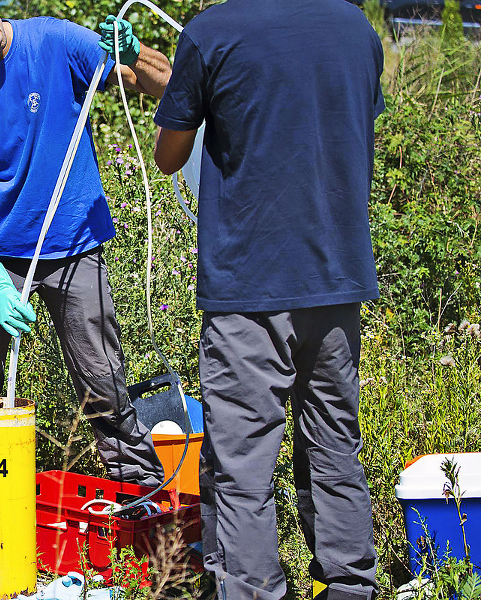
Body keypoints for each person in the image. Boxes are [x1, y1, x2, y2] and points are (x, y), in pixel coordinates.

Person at [152, 1, 385, 599]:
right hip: (336, 280)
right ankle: (350, 585)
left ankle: (253, 591)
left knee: (243, 466)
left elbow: (169, 154)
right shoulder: (355, 28)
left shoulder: (212, 31)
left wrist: (176, 93)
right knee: (334, 443)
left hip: (249, 288)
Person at [0, 0, 173, 523]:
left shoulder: (56, 41)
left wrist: (136, 51)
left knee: (103, 379)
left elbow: (165, 85)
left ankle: (143, 496)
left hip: (75, 245)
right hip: (0, 253)